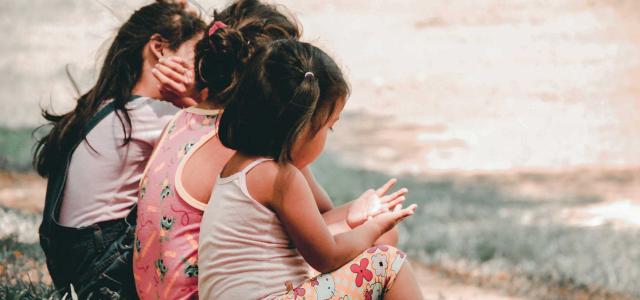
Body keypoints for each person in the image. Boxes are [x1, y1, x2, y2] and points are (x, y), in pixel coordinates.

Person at [198, 39, 423, 299]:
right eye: (328, 127)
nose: (327, 136)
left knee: (382, 241)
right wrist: (374, 227)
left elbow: (311, 234)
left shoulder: (241, 166)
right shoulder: (280, 178)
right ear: (301, 127)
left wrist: (352, 216)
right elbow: (326, 256)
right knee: (387, 262)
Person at [33, 2, 205, 298]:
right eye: (196, 57)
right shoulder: (154, 116)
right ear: (159, 48)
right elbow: (225, 142)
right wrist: (195, 100)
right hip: (105, 277)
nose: (201, 73)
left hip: (73, 269)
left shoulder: (104, 106)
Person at [132, 1, 301, 299]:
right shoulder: (241, 143)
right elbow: (315, 226)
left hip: (152, 293)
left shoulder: (180, 119)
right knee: (376, 241)